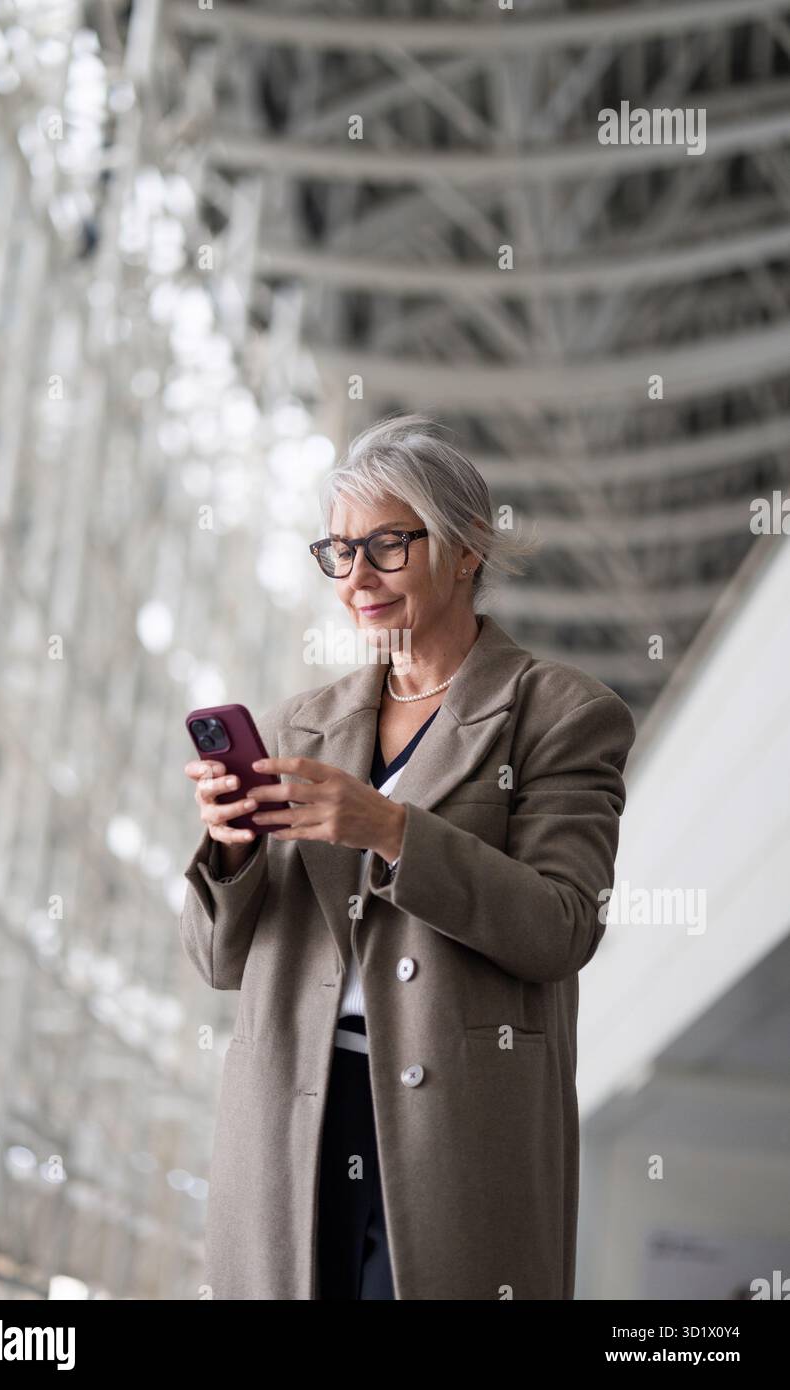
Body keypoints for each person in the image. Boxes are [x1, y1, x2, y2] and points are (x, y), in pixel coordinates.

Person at [180, 412, 636, 1300]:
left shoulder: (563, 715)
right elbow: (215, 961)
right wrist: (231, 850)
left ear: (467, 548)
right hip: (291, 1115)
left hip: (456, 1131)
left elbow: (559, 926)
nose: (358, 579)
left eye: (388, 546)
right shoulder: (296, 726)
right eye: (338, 553)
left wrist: (391, 830)